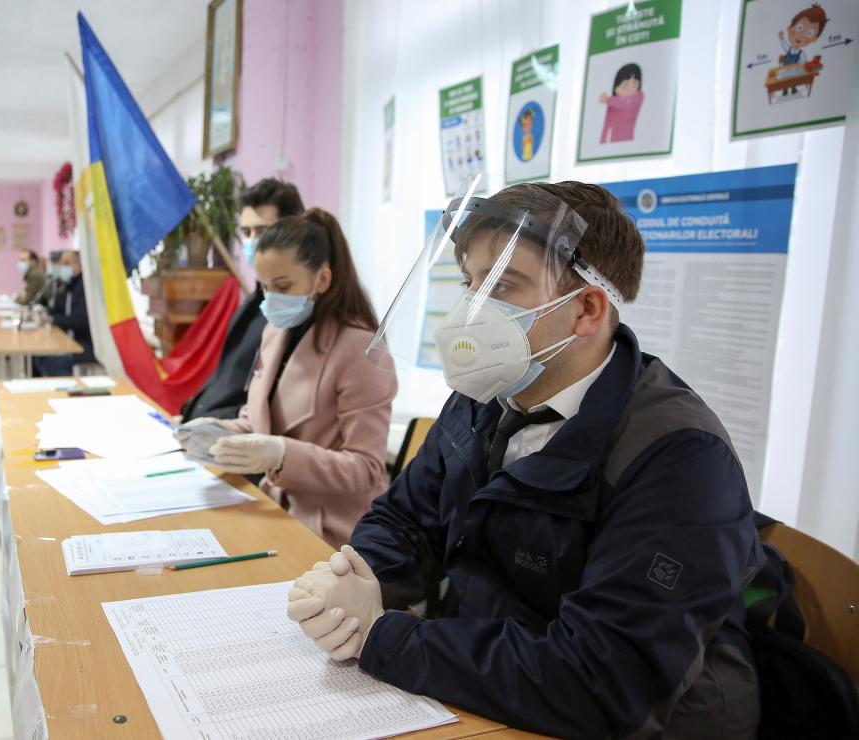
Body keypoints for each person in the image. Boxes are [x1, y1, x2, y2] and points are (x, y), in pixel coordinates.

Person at [285, 182, 763, 738]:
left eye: (503, 286)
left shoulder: (679, 459)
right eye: (471, 283)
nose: (471, 311)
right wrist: (357, 580)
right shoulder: (485, 396)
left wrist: (385, 636)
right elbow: (406, 519)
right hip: (494, 692)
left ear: (586, 308)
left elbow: (601, 679)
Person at [179, 209, 396, 548]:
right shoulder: (275, 332)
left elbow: (366, 469)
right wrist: (211, 432)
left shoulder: (361, 350)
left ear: (322, 280)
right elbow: (256, 422)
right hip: (272, 509)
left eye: (282, 286)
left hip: (333, 530)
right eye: (264, 287)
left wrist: (282, 454)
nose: (271, 299)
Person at [180, 178, 304, 420]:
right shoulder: (251, 302)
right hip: (200, 432)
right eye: (246, 232)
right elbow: (224, 381)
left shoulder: (292, 310)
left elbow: (268, 407)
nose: (253, 242)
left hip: (232, 441)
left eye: (263, 231)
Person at [33, 249, 96, 376]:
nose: (61, 268)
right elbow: (57, 309)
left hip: (85, 345)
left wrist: (52, 320)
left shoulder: (85, 287)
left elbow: (80, 320)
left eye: (66, 264)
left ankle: (63, 393)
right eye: (61, 264)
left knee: (54, 362)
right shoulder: (68, 286)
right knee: (38, 355)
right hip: (68, 339)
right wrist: (44, 313)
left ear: (79, 266)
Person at [598, 63, 644, 144]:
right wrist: (602, 141)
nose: (630, 88)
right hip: (612, 141)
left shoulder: (638, 96)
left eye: (634, 85)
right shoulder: (613, 104)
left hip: (628, 140)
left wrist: (607, 100)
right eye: (626, 85)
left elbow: (625, 103)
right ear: (616, 89)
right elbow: (606, 125)